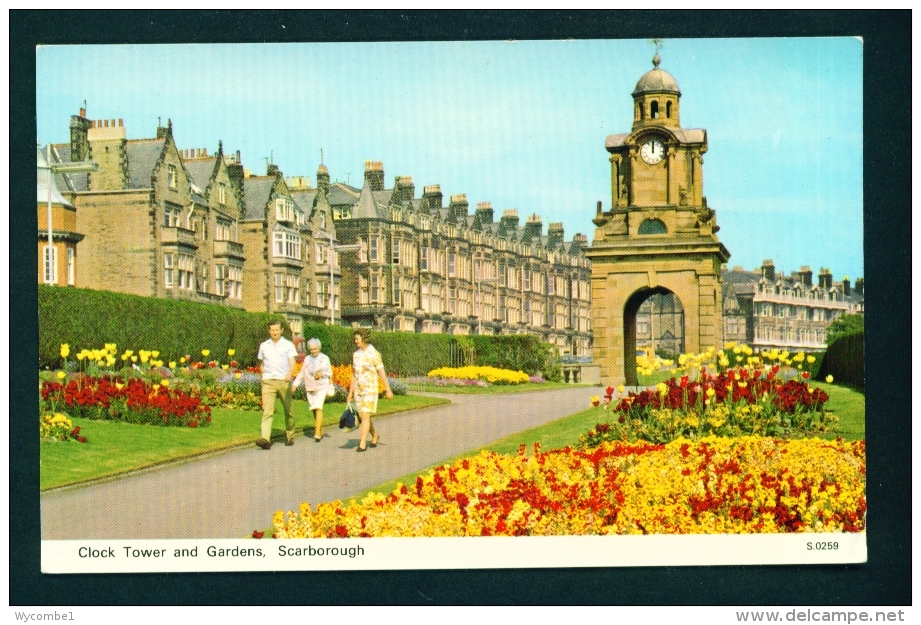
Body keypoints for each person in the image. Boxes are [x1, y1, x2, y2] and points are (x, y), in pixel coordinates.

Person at [346, 328, 393, 452]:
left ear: (364, 339)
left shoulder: (374, 354)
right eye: (355, 338)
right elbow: (353, 375)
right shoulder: (355, 355)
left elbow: (381, 373)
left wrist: (388, 389)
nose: (355, 341)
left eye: (357, 338)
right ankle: (375, 435)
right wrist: (350, 393)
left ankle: (362, 443)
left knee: (365, 415)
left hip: (370, 389)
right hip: (358, 390)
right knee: (362, 416)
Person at [256, 320, 297, 449]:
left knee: (288, 410)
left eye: (277, 330)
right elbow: (262, 363)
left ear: (281, 330)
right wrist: (263, 373)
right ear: (269, 331)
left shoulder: (288, 344)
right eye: (272, 330)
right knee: (267, 411)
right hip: (268, 381)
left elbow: (292, 361)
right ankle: (265, 439)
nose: (275, 332)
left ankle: (289, 435)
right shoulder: (264, 345)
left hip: (283, 380)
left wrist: (290, 373)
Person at [291, 337, 333, 442]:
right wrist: (295, 384)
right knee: (314, 408)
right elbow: (302, 372)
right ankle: (320, 429)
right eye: (311, 349)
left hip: (321, 386)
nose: (313, 351)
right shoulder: (307, 359)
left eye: (315, 349)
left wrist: (321, 374)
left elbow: (329, 373)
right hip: (310, 386)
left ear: (319, 348)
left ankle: (317, 432)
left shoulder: (325, 358)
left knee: (318, 407)